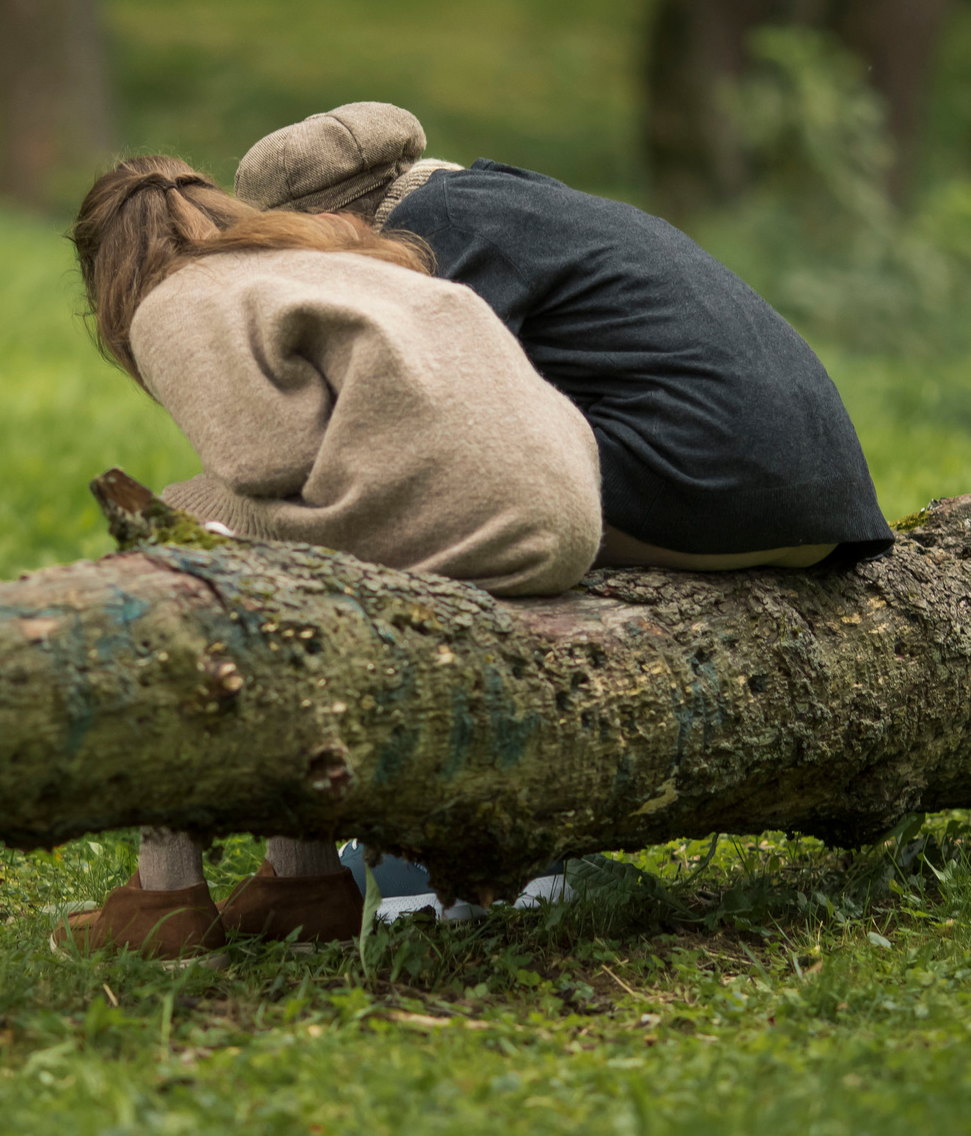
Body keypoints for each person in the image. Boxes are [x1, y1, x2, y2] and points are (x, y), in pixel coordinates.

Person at [54, 157, 603, 957]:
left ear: (106, 274)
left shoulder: (173, 297)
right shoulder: (322, 256)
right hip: (562, 517)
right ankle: (301, 880)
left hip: (457, 522)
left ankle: (164, 893)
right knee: (243, 557)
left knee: (168, 565)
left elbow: (264, 459)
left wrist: (183, 525)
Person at [234, 102, 894, 571]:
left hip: (710, 489)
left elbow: (414, 423)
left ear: (323, 222)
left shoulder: (431, 231)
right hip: (823, 513)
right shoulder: (503, 198)